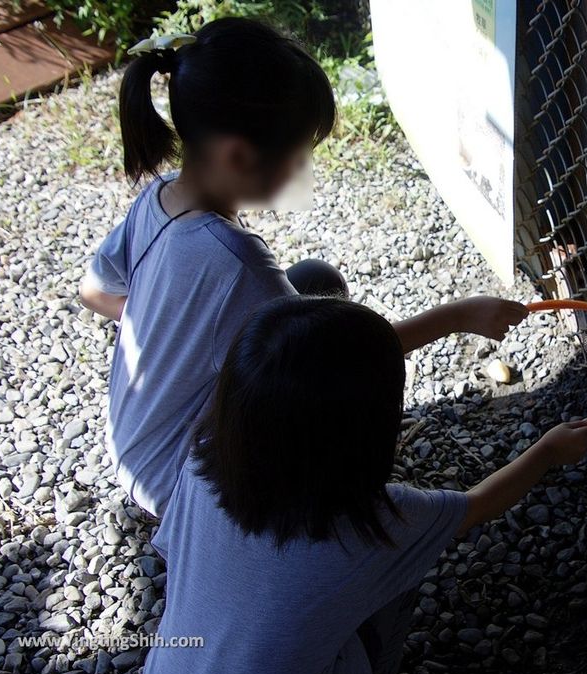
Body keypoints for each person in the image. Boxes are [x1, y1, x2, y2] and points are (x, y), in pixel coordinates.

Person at [79, 18, 528, 517]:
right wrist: (460, 315)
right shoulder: (235, 262)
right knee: (332, 382)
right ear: (238, 155)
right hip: (182, 485)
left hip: (132, 446)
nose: (301, 173)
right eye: (296, 157)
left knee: (316, 284)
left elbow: (93, 292)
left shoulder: (156, 199)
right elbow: (343, 356)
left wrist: (168, 330)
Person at [142, 296, 587, 674]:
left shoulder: (207, 452)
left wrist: (458, 315)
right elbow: (475, 507)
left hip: (167, 671)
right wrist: (549, 452)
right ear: (362, 435)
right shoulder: (372, 528)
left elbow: (319, 378)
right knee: (406, 565)